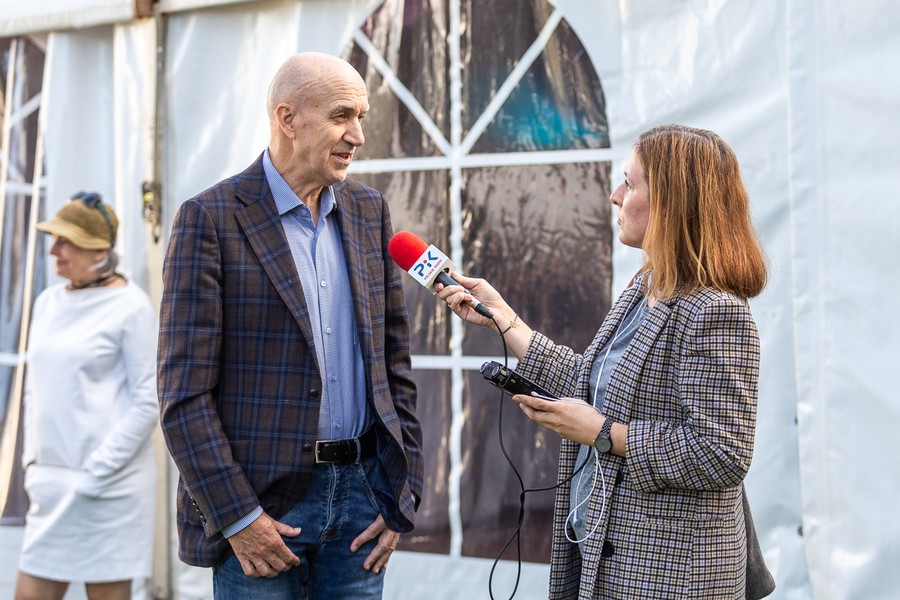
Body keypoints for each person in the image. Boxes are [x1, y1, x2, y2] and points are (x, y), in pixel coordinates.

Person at [437, 124, 769, 599]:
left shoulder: (715, 310)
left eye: (630, 184)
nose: (615, 196)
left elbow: (721, 453)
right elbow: (591, 383)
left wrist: (603, 434)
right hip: (605, 559)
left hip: (671, 579)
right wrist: (503, 319)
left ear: (673, 203)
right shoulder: (644, 287)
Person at [157, 52, 423, 599]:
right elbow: (183, 397)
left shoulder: (370, 212)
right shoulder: (209, 219)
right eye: (342, 116)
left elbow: (394, 368)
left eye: (362, 116)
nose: (358, 135)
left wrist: (402, 494)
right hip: (263, 511)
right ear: (287, 118)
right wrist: (238, 517)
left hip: (360, 503)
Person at [16, 192, 158, 600]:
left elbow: (149, 398)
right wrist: (33, 462)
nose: (54, 250)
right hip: (52, 486)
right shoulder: (47, 303)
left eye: (67, 241)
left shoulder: (130, 307)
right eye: (55, 239)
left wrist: (98, 469)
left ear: (99, 252)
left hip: (110, 490)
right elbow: (34, 389)